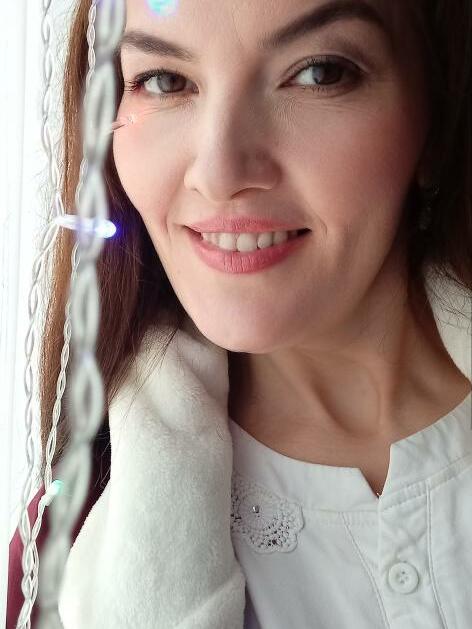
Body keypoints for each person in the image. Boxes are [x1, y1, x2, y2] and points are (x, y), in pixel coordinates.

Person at [7, 0, 472, 627]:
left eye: (319, 73)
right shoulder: (62, 555)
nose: (220, 172)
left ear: (436, 116)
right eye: (164, 81)